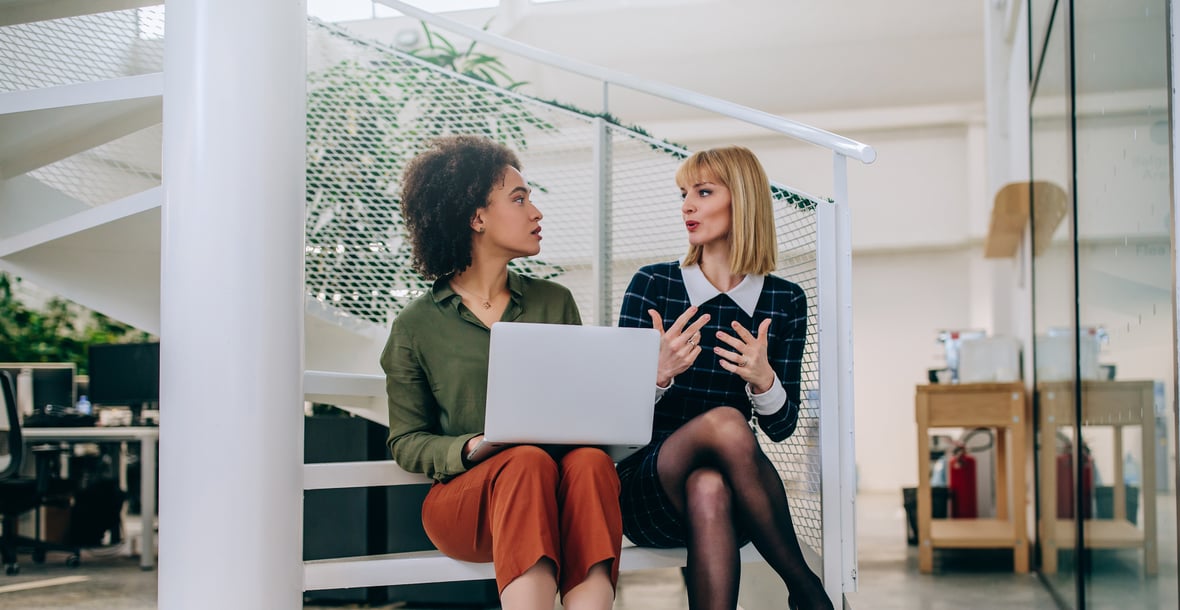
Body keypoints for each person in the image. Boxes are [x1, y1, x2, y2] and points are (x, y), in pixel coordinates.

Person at [381, 135, 622, 610]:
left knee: (591, 462)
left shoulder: (555, 302)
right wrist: (472, 447)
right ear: (477, 217)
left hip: (553, 491)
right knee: (525, 460)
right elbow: (406, 441)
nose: (537, 212)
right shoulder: (415, 326)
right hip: (467, 503)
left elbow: (580, 411)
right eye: (519, 199)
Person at [616, 145, 832, 610]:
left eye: (703, 191)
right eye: (683, 194)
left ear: (744, 200)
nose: (687, 206)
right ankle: (807, 590)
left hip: (732, 499)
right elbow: (615, 421)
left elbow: (779, 428)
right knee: (726, 422)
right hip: (648, 487)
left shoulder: (784, 301)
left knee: (709, 484)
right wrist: (656, 377)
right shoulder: (653, 286)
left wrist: (764, 381)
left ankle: (806, 593)